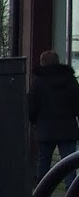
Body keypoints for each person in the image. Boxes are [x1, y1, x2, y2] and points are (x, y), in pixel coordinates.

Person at [29, 49, 79, 184]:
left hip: (45, 128)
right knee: (69, 162)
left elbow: (32, 105)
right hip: (67, 127)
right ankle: (71, 189)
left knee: (44, 161)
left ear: (42, 63)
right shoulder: (69, 79)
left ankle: (42, 188)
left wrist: (33, 121)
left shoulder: (39, 82)